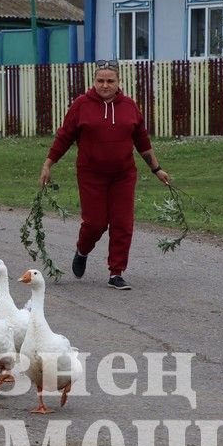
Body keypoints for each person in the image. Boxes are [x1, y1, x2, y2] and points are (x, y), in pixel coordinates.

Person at [39, 60, 170, 290]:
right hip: (91, 175)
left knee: (122, 223)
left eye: (110, 81)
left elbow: (142, 141)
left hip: (123, 175)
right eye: (101, 80)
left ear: (118, 82)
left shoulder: (129, 106)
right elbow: (64, 136)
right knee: (95, 223)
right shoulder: (81, 105)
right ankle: (82, 250)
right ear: (94, 81)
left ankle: (116, 273)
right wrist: (48, 164)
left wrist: (156, 169)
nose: (105, 85)